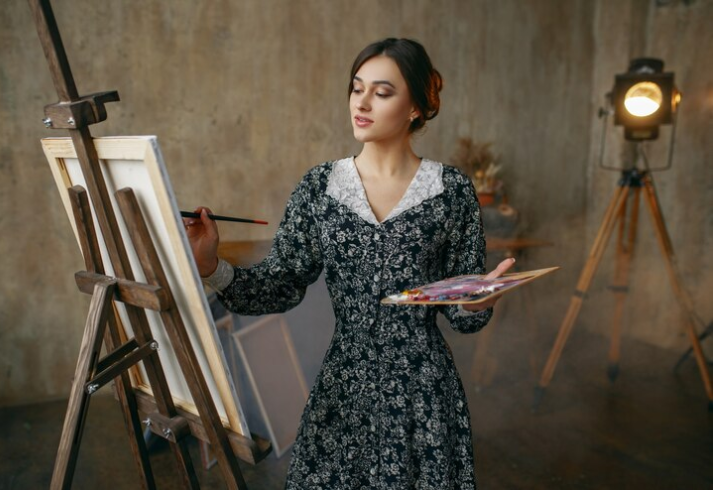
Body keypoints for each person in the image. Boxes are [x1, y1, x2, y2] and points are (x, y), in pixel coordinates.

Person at [185, 37, 514, 490]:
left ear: (416, 107)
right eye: (356, 88)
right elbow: (279, 284)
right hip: (345, 385)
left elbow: (460, 310)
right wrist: (210, 267)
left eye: (382, 92)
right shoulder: (321, 186)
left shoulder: (451, 191)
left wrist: (474, 304)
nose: (361, 102)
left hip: (423, 393)